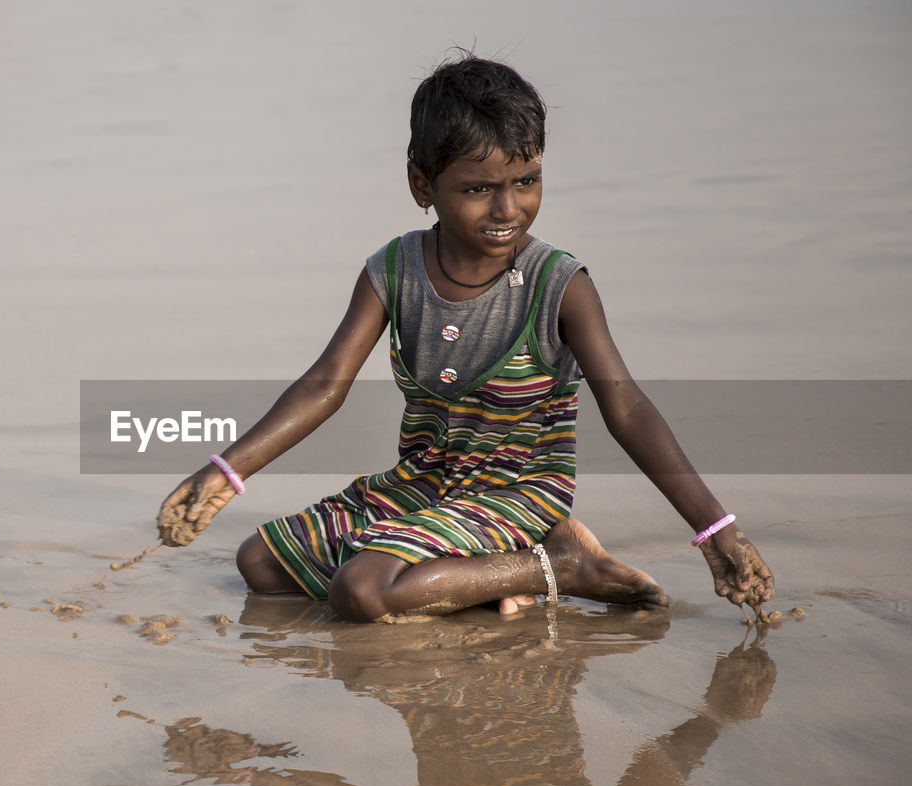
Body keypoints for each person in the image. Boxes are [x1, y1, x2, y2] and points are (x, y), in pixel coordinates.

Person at [158, 54, 774, 622]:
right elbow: (325, 385)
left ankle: (560, 565)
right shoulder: (393, 271)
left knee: (361, 590)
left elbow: (629, 409)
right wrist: (225, 471)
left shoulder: (558, 286)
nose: (508, 208)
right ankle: (487, 579)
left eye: (526, 181)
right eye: (479, 189)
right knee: (260, 564)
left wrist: (713, 528)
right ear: (423, 186)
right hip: (428, 479)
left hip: (520, 488)